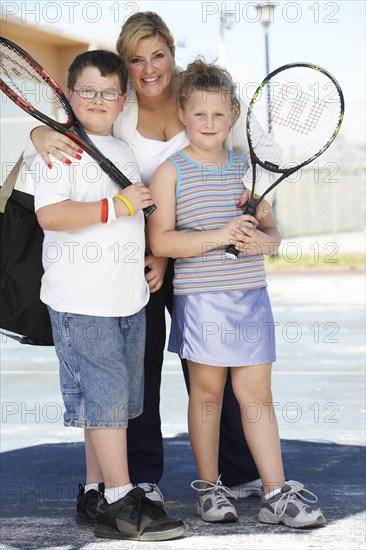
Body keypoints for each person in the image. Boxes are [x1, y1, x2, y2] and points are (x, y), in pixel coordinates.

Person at [26, 11, 278, 508]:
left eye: (157, 54)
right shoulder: (118, 110)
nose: (148, 68)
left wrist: (263, 215)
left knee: (215, 370)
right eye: (135, 59)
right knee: (135, 370)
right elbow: (75, 136)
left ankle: (239, 469)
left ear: (172, 54)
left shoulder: (201, 99)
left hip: (208, 262)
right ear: (124, 66)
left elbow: (255, 154)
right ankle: (138, 477)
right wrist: (38, 136)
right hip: (143, 258)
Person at [147, 58, 326, 528]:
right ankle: (210, 488)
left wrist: (261, 241)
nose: (209, 123)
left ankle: (275, 493)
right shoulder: (171, 172)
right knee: (207, 394)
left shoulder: (248, 171)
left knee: (258, 397)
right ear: (183, 113)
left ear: (233, 115)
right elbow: (161, 241)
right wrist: (221, 235)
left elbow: (272, 232)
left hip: (249, 296)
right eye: (200, 114)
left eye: (219, 114)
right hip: (202, 300)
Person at [32, 49, 186, 541]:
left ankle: (95, 492)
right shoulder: (59, 149)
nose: (98, 100)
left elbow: (136, 214)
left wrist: (151, 258)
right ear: (70, 95)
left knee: (113, 400)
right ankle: (123, 499)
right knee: (105, 402)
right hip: (83, 301)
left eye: (108, 93)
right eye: (87, 91)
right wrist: (113, 206)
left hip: (127, 298)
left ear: (124, 101)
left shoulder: (119, 150)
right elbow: (51, 216)